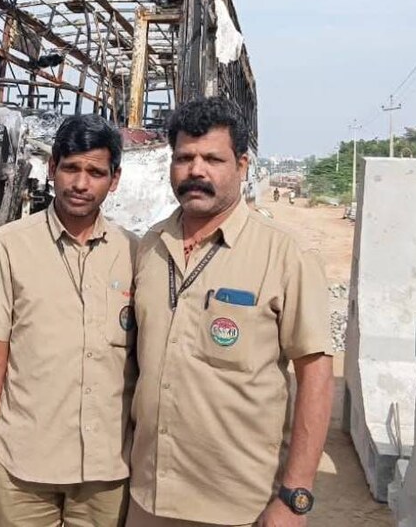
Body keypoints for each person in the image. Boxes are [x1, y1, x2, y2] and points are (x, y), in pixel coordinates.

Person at [127, 97, 334, 527]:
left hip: (239, 505)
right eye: (184, 158)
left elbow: (315, 374)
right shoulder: (149, 248)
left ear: (241, 165)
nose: (196, 171)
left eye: (212, 159)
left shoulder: (284, 255)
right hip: (148, 496)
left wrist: (295, 495)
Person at [0, 114, 138, 527]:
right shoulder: (10, 246)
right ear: (52, 167)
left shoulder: (134, 254)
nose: (81, 183)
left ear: (115, 178)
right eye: (71, 168)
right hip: (24, 471)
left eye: (95, 172)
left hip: (106, 475)